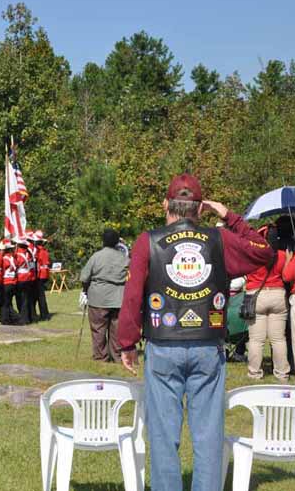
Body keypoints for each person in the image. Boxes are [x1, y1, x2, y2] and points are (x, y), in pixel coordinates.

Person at [118, 173, 274, 491]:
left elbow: (133, 293)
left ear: (166, 204)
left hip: (163, 344)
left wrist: (127, 341)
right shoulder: (220, 239)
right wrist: (229, 216)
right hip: (207, 345)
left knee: (163, 436)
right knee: (208, 435)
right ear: (200, 208)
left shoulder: (147, 240)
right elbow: (264, 251)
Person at [244, 226, 288, 381]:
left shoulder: (252, 254)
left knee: (256, 339)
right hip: (278, 295)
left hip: (256, 296)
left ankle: (254, 373)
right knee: (278, 339)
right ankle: (282, 373)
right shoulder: (283, 255)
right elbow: (286, 274)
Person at [79, 229, 128, 363]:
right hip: (119, 298)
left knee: (98, 329)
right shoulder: (124, 257)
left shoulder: (96, 256)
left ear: (103, 241)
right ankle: (117, 356)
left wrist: (85, 291)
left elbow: (84, 277)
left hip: (98, 298)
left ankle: (101, 357)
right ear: (118, 242)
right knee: (117, 329)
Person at [14, 237, 34, 324]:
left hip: (20, 277)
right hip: (28, 277)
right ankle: (28, 317)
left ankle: (23, 318)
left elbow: (16, 265)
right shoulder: (29, 253)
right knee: (26, 299)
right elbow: (32, 265)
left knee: (20, 299)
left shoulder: (17, 254)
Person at [0, 239, 19, 325]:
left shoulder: (4, 259)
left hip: (6, 282)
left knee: (5, 303)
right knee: (9, 302)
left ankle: (9, 319)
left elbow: (2, 271)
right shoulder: (13, 258)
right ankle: (12, 318)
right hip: (13, 282)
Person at [34, 231, 52, 321]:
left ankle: (44, 315)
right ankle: (44, 314)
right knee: (40, 296)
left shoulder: (38, 251)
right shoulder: (45, 251)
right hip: (45, 274)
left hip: (40, 274)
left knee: (39, 296)